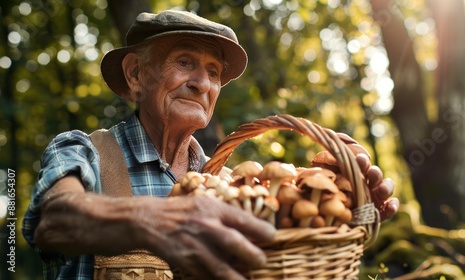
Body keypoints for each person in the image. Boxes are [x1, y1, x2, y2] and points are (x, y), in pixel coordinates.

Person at [22, 9, 400, 280]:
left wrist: (349, 216)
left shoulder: (237, 185)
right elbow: (54, 220)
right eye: (185, 62)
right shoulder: (85, 151)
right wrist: (154, 220)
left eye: (214, 73)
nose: (202, 84)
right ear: (136, 74)